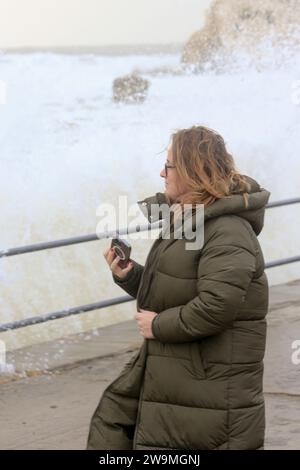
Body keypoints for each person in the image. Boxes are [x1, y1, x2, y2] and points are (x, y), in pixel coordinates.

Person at [87, 125, 270, 450]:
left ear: (191, 170)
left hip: (209, 400)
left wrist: (157, 325)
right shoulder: (191, 220)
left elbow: (217, 306)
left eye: (168, 166)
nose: (161, 172)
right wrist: (130, 275)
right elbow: (183, 291)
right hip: (183, 387)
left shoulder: (227, 231)